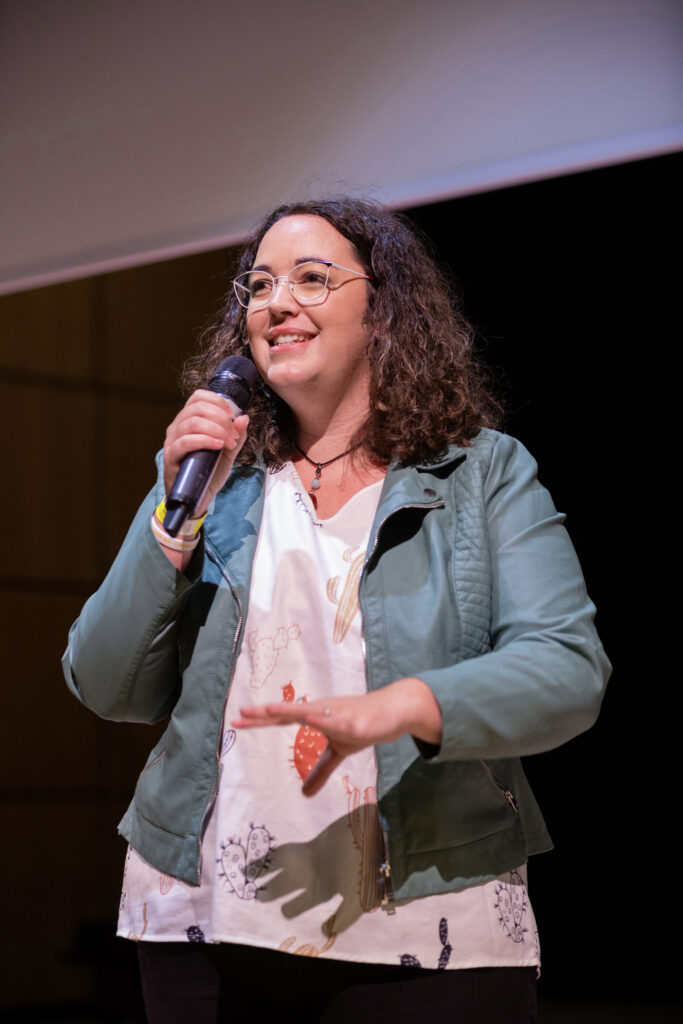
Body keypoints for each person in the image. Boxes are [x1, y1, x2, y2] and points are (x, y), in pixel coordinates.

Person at [63, 197, 610, 1023]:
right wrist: (172, 524)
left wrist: (409, 703)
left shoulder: (480, 474)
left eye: (312, 278)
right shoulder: (217, 479)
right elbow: (103, 684)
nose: (276, 302)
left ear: (383, 310)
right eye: (259, 285)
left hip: (428, 918)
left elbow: (568, 669)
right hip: (203, 918)